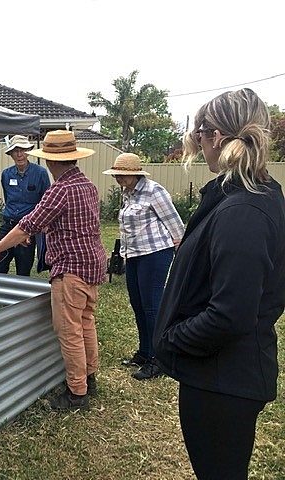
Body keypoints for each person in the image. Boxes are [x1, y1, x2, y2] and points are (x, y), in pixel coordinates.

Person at [154, 88, 285, 480]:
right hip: (222, 377)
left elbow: (230, 315)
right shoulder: (248, 197)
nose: (197, 142)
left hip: (222, 383)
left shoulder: (243, 210)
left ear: (214, 136)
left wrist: (171, 340)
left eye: (199, 133)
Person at [0, 130, 106, 411]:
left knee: (69, 330)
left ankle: (77, 393)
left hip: (71, 266)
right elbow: (72, 222)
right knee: (86, 321)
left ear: (52, 161)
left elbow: (25, 226)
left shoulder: (60, 190)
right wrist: (42, 229)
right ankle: (89, 377)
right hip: (92, 262)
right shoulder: (87, 185)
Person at [103, 153, 184, 380]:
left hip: (155, 253)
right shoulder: (127, 193)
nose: (118, 178)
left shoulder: (154, 191)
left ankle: (159, 359)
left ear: (136, 174)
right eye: (116, 174)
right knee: (138, 304)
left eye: (122, 175)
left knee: (152, 307)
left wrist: (181, 252)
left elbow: (175, 225)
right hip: (134, 254)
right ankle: (145, 352)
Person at [0, 135, 50, 276]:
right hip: (8, 223)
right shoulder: (6, 174)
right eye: (16, 151)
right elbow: (8, 199)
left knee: (23, 268)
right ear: (11, 154)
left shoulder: (40, 173)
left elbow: (45, 202)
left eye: (23, 150)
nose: (19, 154)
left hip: (28, 227)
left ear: (28, 152)